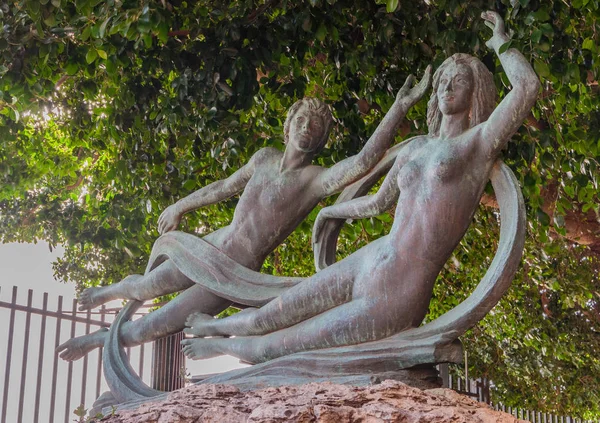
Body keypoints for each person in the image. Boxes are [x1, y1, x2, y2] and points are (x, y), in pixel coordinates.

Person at [180, 11, 540, 365]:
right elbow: (378, 202)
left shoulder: (478, 144)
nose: (446, 87)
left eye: (458, 81)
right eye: (443, 79)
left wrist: (501, 43)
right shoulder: (416, 146)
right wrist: (328, 213)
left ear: (474, 90)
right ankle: (220, 326)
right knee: (270, 314)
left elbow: (526, 88)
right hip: (371, 258)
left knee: (279, 346)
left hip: (400, 291)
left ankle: (222, 347)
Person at [57, 69, 432, 361]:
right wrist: (180, 205)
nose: (307, 128)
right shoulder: (264, 158)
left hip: (235, 275)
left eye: (315, 128)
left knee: (157, 324)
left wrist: (398, 107)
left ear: (319, 141)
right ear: (288, 125)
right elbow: (222, 186)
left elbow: (363, 161)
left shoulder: (314, 180)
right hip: (212, 245)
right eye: (302, 120)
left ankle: (95, 341)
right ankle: (112, 290)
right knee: (144, 286)